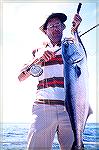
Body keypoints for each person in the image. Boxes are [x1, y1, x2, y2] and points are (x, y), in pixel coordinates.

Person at [18, 12, 92, 150]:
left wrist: (75, 31)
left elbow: (81, 56)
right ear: (45, 31)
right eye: (51, 25)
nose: (55, 27)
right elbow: (20, 77)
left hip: (71, 109)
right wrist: (38, 60)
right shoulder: (37, 51)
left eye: (58, 24)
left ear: (63, 27)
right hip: (43, 108)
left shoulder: (71, 47)